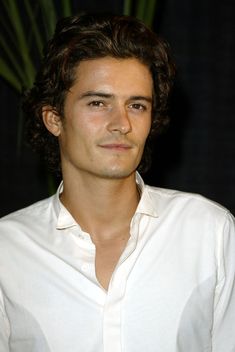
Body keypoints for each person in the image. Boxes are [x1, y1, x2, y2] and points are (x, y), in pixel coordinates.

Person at [0, 13, 234, 352]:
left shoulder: (209, 233)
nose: (121, 123)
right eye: (98, 103)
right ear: (53, 119)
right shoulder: (8, 250)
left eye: (137, 105)